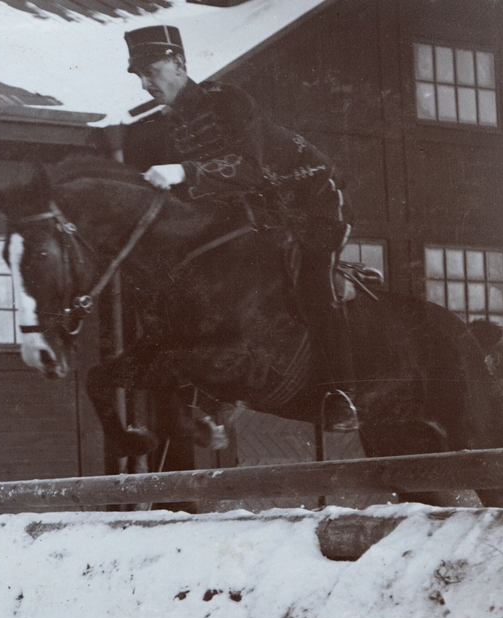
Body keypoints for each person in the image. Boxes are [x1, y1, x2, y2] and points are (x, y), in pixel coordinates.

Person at [99, 24, 359, 431]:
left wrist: (184, 171)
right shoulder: (173, 121)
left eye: (151, 72)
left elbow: (250, 169)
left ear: (179, 64)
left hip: (313, 201)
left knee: (314, 282)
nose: (145, 84)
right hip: (266, 211)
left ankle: (342, 395)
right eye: (139, 76)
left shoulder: (227, 101)